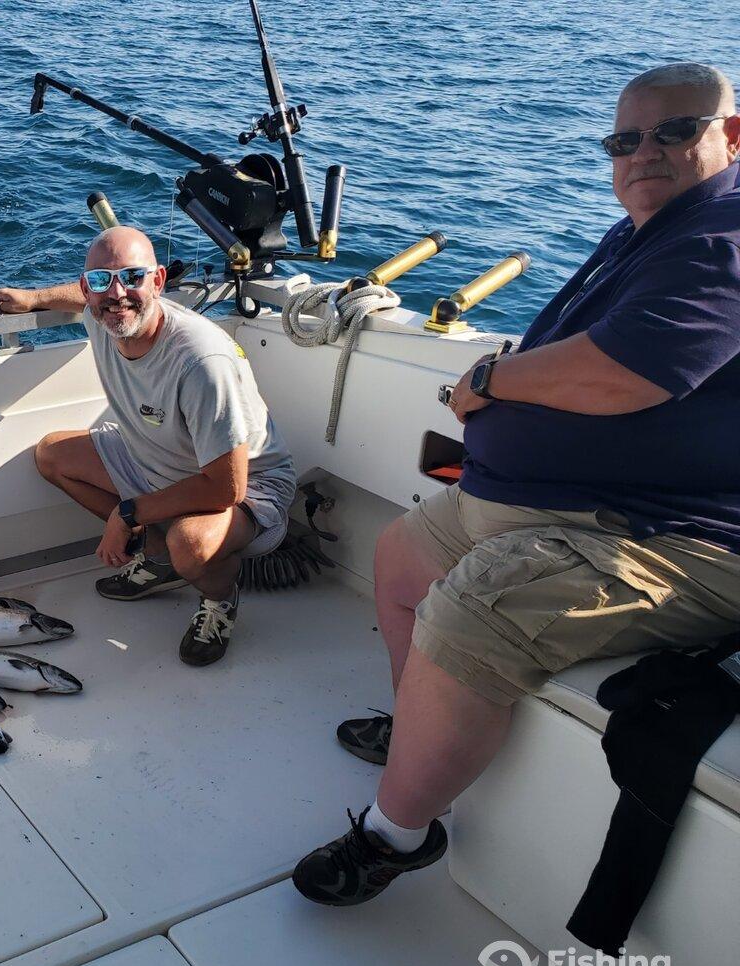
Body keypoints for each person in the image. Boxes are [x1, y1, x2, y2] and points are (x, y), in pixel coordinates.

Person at [292, 63, 740, 905]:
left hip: (678, 537)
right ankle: (419, 726)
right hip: (568, 500)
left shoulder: (725, 237)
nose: (645, 153)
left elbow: (627, 375)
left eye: (676, 131)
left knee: (479, 600)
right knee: (398, 558)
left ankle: (397, 834)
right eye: (624, 139)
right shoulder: (660, 222)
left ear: (733, 134)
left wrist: (493, 382)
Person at [0, 226, 296, 666]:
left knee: (191, 543)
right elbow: (86, 293)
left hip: (248, 489)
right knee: (53, 455)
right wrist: (33, 299)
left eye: (132, 277)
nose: (117, 294)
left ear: (159, 282)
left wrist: (127, 514)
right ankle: (159, 558)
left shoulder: (201, 363)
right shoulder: (102, 312)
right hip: (158, 460)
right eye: (100, 282)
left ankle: (219, 598)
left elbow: (228, 489)